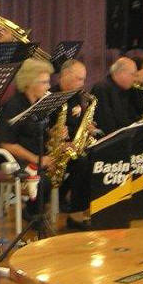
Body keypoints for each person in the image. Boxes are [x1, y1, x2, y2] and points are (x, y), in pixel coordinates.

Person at [0, 58, 56, 220]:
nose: (49, 86)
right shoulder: (13, 106)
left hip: (38, 154)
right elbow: (7, 144)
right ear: (30, 83)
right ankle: (33, 213)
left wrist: (55, 133)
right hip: (17, 159)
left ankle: (44, 210)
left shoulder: (40, 104)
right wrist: (37, 159)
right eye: (44, 82)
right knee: (44, 180)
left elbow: (41, 132)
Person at [52, 59, 92, 229]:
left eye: (84, 79)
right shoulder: (51, 97)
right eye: (79, 79)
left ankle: (77, 203)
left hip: (74, 145)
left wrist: (87, 126)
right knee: (82, 162)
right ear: (66, 75)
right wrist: (58, 136)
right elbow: (48, 129)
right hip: (55, 148)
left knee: (97, 153)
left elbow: (77, 121)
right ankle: (76, 214)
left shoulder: (75, 95)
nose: (82, 84)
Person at [90, 56, 141, 135]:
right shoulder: (101, 89)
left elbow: (133, 116)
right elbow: (107, 125)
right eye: (132, 74)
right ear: (120, 73)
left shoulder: (127, 89)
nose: (135, 79)